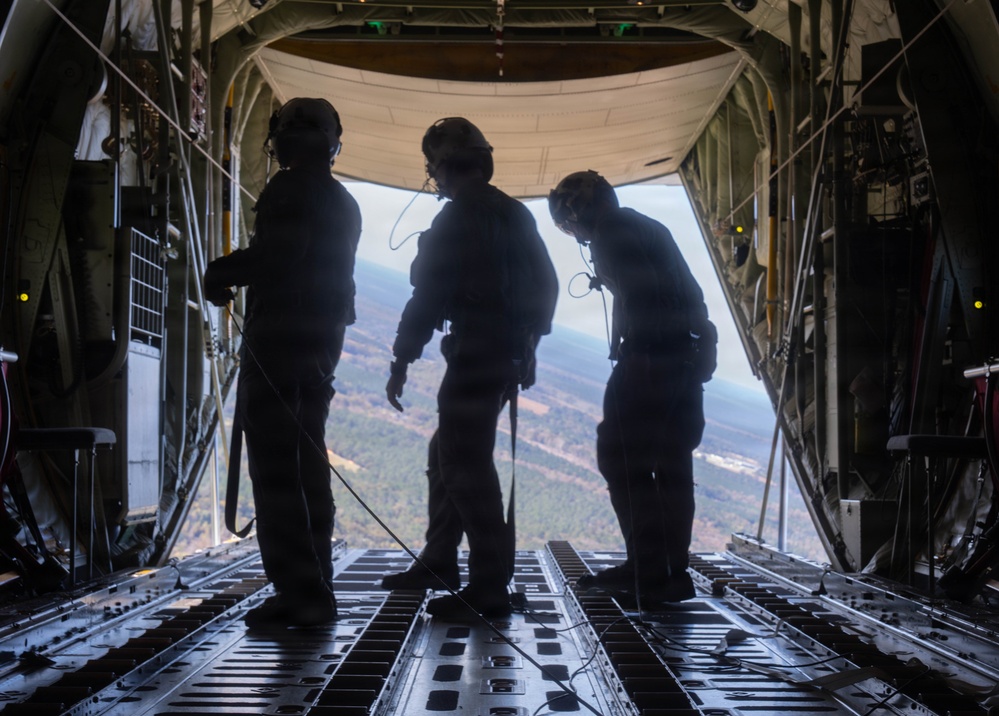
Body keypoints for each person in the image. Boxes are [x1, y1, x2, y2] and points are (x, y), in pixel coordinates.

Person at [385, 117, 558, 619]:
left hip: (477, 354)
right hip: (503, 355)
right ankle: (440, 559)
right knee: (449, 450)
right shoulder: (514, 213)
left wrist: (402, 358)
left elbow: (428, 294)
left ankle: (489, 584)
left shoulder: (457, 218)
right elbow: (545, 286)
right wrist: (528, 346)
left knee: (464, 465)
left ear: (440, 169)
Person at [203, 98, 361, 628]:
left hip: (279, 346)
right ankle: (318, 584)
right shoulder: (343, 202)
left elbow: (281, 255)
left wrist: (220, 271)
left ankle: (301, 594)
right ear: (333, 143)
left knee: (275, 472)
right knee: (308, 467)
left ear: (283, 140)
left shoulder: (289, 188)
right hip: (320, 350)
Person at [548, 170, 715, 604]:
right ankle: (670, 572)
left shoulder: (610, 231)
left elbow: (640, 296)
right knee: (673, 466)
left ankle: (648, 571)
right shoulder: (648, 225)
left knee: (622, 459)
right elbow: (690, 293)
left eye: (570, 227)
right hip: (683, 362)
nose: (578, 235)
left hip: (649, 361)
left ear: (576, 214)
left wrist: (639, 358)